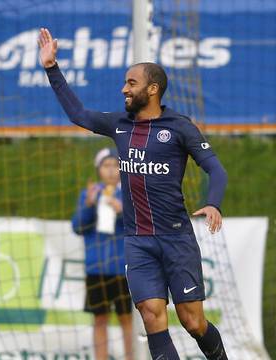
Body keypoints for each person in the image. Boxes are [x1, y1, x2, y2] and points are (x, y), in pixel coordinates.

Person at [38, 28, 228, 360]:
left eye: (131, 83)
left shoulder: (180, 127)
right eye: (125, 82)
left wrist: (213, 203)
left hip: (176, 238)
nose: (124, 89)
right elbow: (78, 115)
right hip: (138, 241)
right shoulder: (120, 125)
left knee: (193, 322)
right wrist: (52, 68)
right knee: (152, 315)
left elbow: (216, 169)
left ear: (153, 89)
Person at [72, 148, 132, 360]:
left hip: (123, 269)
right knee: (100, 319)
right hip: (97, 269)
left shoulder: (129, 194)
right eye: (106, 165)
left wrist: (123, 210)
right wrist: (88, 205)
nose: (111, 170)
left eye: (115, 165)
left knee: (126, 318)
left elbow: (140, 226)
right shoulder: (88, 194)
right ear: (98, 169)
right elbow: (78, 227)